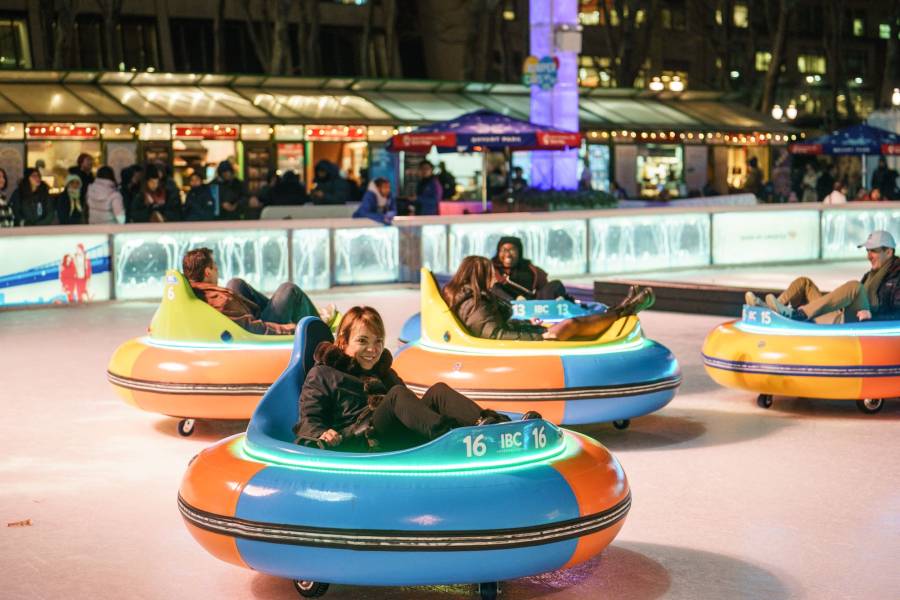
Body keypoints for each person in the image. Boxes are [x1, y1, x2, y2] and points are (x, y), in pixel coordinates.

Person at [292, 306, 518, 452]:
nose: (372, 349)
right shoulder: (323, 373)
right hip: (361, 440)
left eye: (378, 341)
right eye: (362, 341)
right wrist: (321, 433)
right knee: (397, 395)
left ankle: (494, 427)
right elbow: (309, 418)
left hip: (391, 433)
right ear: (343, 342)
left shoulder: (384, 373)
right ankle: (451, 442)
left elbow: (410, 409)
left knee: (438, 391)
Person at [444, 256, 654, 341]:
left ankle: (621, 309)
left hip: (519, 336)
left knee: (570, 324)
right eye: (490, 273)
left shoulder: (474, 298)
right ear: (479, 275)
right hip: (517, 344)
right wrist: (537, 336)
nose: (494, 278)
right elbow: (495, 335)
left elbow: (495, 324)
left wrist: (525, 324)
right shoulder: (473, 302)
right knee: (571, 324)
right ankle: (622, 310)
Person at [745, 230, 900, 323]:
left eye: (873, 251)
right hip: (842, 315)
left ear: (889, 252)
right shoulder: (871, 275)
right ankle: (773, 310)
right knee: (804, 283)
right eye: (867, 251)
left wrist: (873, 314)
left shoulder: (897, 277)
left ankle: (798, 314)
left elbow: (897, 313)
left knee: (855, 287)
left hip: (862, 322)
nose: (869, 256)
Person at [182, 247, 335, 335]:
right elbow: (250, 329)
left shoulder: (194, 291)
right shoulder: (219, 301)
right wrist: (290, 329)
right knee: (289, 290)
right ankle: (318, 326)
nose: (217, 269)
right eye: (214, 265)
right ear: (207, 272)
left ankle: (294, 312)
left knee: (235, 283)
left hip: (247, 317)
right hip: (258, 332)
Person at [490, 236, 568, 301]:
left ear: (519, 252)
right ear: (498, 252)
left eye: (512, 250)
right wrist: (516, 298)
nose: (507, 254)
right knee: (494, 287)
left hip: (530, 305)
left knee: (556, 284)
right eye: (503, 250)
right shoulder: (490, 269)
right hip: (504, 305)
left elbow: (544, 289)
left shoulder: (531, 270)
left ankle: (559, 305)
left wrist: (556, 294)